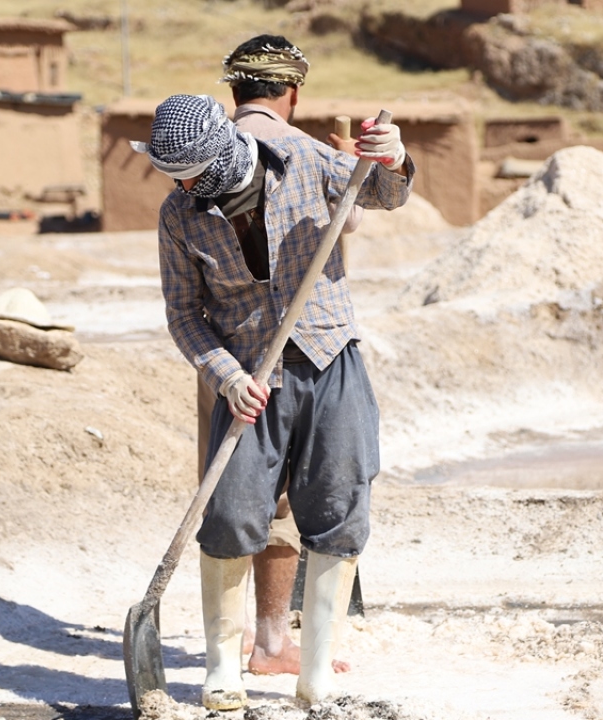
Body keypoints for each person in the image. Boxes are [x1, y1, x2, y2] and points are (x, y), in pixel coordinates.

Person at [133, 93, 412, 710]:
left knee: (338, 505)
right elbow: (184, 315)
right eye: (175, 177)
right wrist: (227, 376)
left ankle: (315, 674)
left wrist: (392, 159)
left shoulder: (304, 162)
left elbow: (382, 194)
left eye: (192, 175)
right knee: (231, 514)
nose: (184, 187)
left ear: (223, 154)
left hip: (329, 359)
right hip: (249, 383)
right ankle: (221, 670)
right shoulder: (179, 216)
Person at [190, 35, 360, 678]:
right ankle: (270, 642)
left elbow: (183, 311)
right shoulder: (310, 153)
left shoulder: (200, 158)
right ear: (292, 92)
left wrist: (226, 375)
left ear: (233, 92)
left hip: (227, 362)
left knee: (232, 499)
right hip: (300, 354)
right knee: (288, 501)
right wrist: (363, 167)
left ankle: (235, 653)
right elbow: (360, 216)